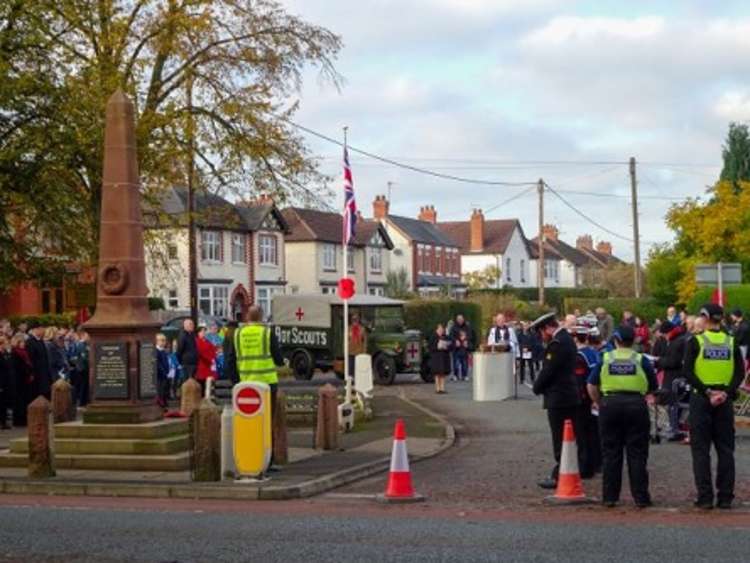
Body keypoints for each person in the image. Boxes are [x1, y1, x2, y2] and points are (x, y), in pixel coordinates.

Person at [587, 325, 658, 508]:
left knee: (611, 453)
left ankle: (610, 497)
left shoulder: (605, 358)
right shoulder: (641, 359)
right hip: (636, 405)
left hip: (610, 404)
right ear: (633, 341)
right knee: (637, 454)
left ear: (616, 340)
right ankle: (641, 498)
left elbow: (592, 385)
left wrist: (599, 401)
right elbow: (653, 385)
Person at [684, 304, 744, 509]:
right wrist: (726, 392)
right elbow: (740, 373)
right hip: (724, 400)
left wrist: (707, 392)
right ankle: (725, 497)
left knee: (701, 450)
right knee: (725, 449)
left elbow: (688, 373)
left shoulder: (696, 341)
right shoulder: (731, 342)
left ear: (705, 318)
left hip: (702, 399)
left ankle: (705, 497)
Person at [530, 313, 584, 489]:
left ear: (547, 328)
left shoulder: (557, 344)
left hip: (559, 397)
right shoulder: (565, 339)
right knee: (568, 436)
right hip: (568, 394)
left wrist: (536, 387)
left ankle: (560, 474)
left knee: (560, 438)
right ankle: (566, 470)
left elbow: (549, 370)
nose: (541, 337)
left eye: (541, 332)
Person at [233, 305, 284, 467]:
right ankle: (268, 460)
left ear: (247, 316)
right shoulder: (267, 333)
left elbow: (230, 358)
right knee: (267, 422)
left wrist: (236, 381)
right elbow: (277, 357)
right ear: (261, 317)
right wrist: (281, 363)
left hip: (246, 383)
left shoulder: (238, 333)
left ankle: (249, 457)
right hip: (267, 382)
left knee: (247, 422)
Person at [573, 326, 601, 478]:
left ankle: (585, 467)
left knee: (583, 435)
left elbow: (580, 381)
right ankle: (597, 463)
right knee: (594, 433)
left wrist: (584, 399)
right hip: (596, 396)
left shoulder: (579, 356)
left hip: (584, 400)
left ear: (576, 338)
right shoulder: (593, 353)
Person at [655, 320, 686, 441]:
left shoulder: (677, 342)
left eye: (664, 334)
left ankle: (675, 428)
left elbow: (673, 361)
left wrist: (659, 361)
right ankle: (675, 426)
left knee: (673, 404)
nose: (663, 337)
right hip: (672, 376)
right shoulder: (678, 340)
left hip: (674, 377)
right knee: (673, 404)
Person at [26, 321, 52, 400]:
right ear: (35, 329)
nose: (43, 331)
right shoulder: (30, 342)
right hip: (37, 375)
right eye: (41, 329)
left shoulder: (40, 341)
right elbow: (31, 360)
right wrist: (32, 373)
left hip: (45, 374)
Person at [429, 324, 452, 394]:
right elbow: (430, 347)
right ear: (437, 329)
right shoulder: (433, 337)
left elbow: (450, 345)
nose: (441, 331)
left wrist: (446, 346)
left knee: (442, 373)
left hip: (444, 357)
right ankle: (437, 388)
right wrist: (437, 347)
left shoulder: (445, 336)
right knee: (437, 373)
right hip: (436, 357)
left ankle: (442, 388)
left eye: (442, 330)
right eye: (440, 330)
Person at [195, 325, 218, 393]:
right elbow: (200, 352)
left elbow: (213, 349)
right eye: (202, 331)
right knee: (201, 381)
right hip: (202, 364)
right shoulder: (197, 341)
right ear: (198, 333)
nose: (204, 333)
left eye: (204, 331)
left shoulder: (207, 341)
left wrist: (213, 357)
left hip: (209, 364)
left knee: (208, 382)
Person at [0, 334, 15, 429]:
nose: (7, 345)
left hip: (7, 382)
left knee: (4, 403)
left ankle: (4, 422)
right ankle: (2, 422)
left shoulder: (5, 354)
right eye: (5, 343)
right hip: (1, 382)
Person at [155, 333, 171, 409]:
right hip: (159, 375)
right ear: (157, 341)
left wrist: (167, 371)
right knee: (159, 390)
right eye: (162, 340)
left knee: (164, 390)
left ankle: (163, 403)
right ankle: (160, 405)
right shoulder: (156, 351)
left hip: (165, 374)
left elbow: (166, 362)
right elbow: (158, 363)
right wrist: (164, 372)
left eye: (164, 340)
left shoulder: (163, 351)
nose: (164, 342)